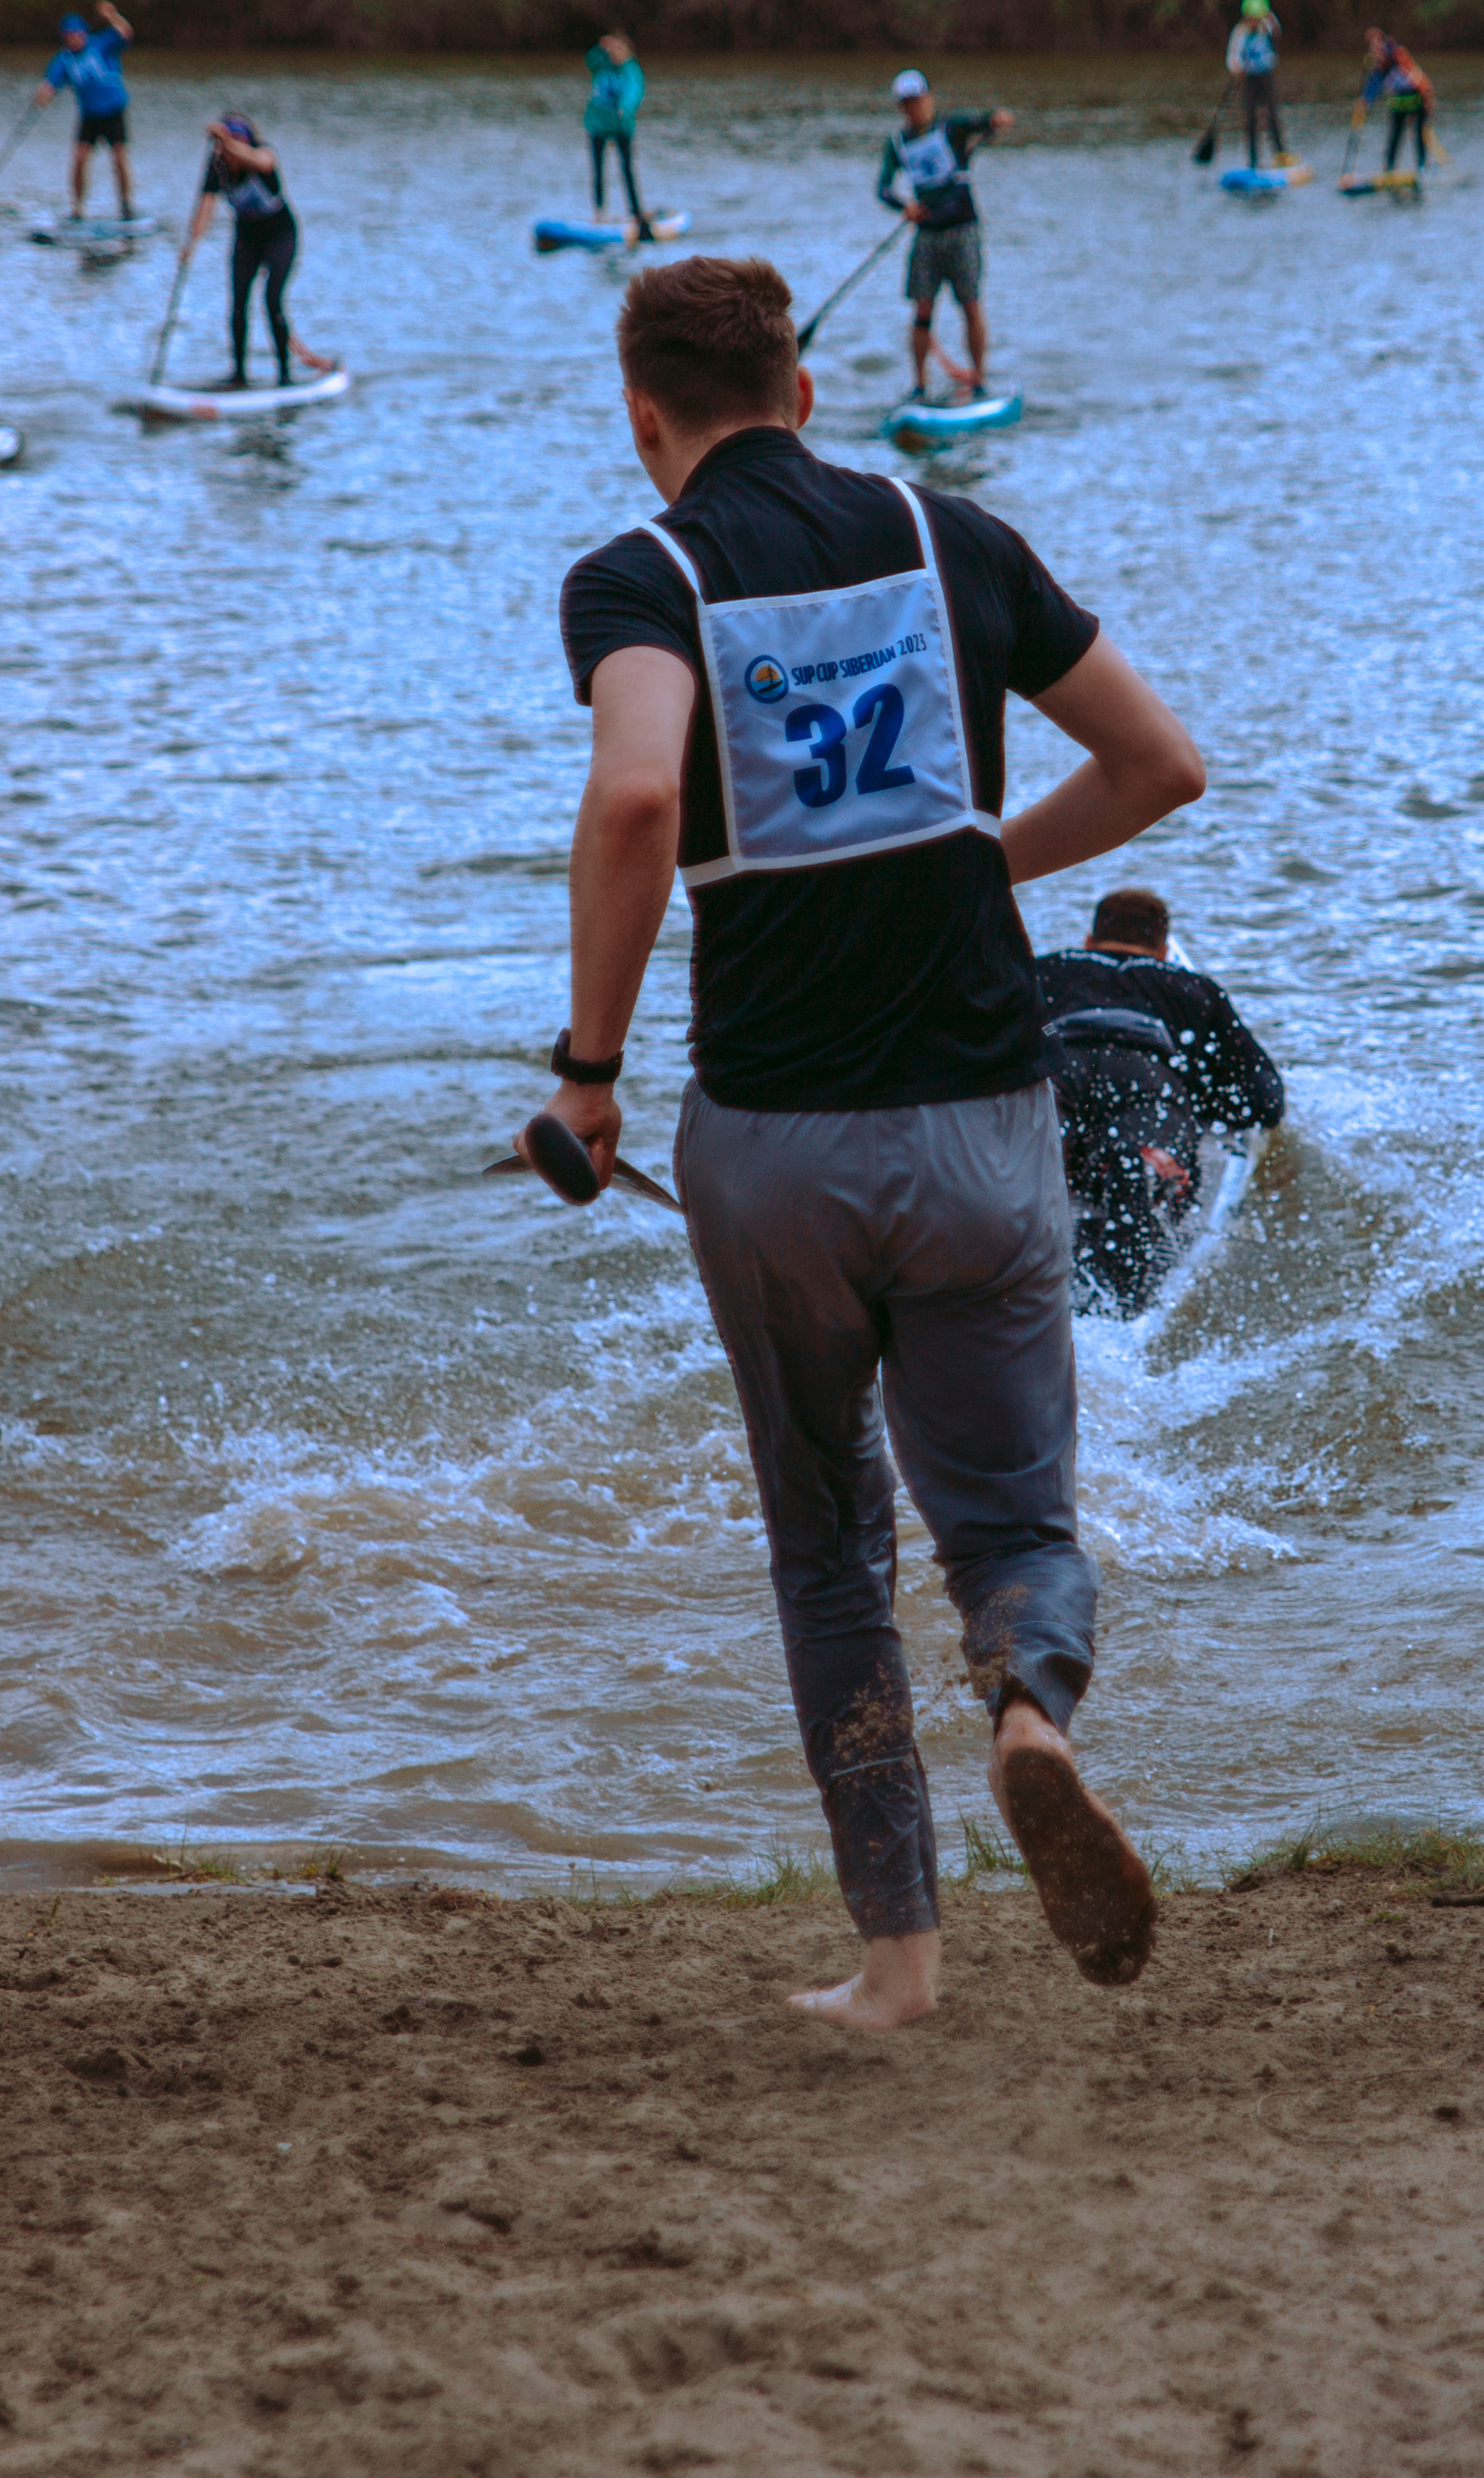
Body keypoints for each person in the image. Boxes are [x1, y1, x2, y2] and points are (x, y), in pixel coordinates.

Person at [538, 253, 1208, 2030]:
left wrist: (587, 1068)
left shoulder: (640, 574)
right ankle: (1028, 1715)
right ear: (808, 390)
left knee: (829, 1541)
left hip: (772, 1146)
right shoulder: (949, 535)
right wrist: (978, 855)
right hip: (980, 1121)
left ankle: (898, 1957)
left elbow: (634, 791)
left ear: (643, 418)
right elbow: (1159, 764)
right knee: (1014, 1515)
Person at [1036, 889, 1283, 1317]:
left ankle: (1051, 1180)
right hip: (1149, 1081)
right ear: (1165, 951)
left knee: (1043, 1146)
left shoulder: (1043, 971)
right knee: (1138, 1158)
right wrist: (1200, 1104)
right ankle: (1131, 1281)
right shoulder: (1192, 988)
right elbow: (1265, 1101)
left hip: (1060, 1072)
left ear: (1089, 942)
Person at [876, 71, 1012, 401]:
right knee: (922, 310)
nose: (915, 108)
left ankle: (978, 380)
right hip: (927, 235)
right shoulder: (897, 143)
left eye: (919, 100)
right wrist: (905, 207)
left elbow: (984, 121)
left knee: (970, 305)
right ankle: (919, 386)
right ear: (901, 108)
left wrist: (996, 120)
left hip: (963, 230)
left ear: (929, 99)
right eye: (908, 104)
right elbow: (883, 189)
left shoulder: (952, 128)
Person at [179, 114, 335, 389]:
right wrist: (191, 245)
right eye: (224, 149)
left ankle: (285, 376)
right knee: (238, 304)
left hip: (280, 236)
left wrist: (226, 140)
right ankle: (239, 376)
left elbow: (262, 161)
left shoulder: (263, 155)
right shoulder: (217, 166)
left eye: (233, 147)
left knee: (272, 300)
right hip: (247, 238)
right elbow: (205, 208)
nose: (228, 155)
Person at [35, 1, 136, 219]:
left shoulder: (101, 44)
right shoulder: (64, 60)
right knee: (79, 159)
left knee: (119, 159)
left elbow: (126, 33)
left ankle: (126, 205)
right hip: (90, 115)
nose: (73, 39)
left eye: (76, 35)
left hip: (113, 111)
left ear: (84, 33)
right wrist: (43, 94)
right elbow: (50, 83)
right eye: (69, 36)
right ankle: (77, 208)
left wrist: (111, 15)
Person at [583, 32, 650, 238]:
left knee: (627, 170)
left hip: (622, 127)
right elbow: (589, 60)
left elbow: (635, 90)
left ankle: (636, 213)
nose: (615, 53)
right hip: (597, 125)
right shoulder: (601, 63)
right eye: (613, 50)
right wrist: (600, 47)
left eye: (619, 49)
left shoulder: (631, 69)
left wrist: (625, 108)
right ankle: (599, 213)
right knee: (597, 170)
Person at [1359, 26, 1436, 176]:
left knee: (1418, 135)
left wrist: (1428, 100)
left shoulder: (1398, 56)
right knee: (1395, 137)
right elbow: (1373, 87)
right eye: (1373, 49)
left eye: (1378, 47)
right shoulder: (1379, 69)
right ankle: (1389, 170)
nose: (1376, 52)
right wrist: (1365, 101)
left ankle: (1422, 169)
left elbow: (1419, 80)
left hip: (1417, 100)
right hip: (1398, 104)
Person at [1227, 0, 1286, 171]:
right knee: (1250, 118)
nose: (1254, 22)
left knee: (1272, 115)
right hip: (1250, 79)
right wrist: (1237, 67)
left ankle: (1281, 155)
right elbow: (1233, 58)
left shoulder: (1268, 27)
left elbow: (1277, 33)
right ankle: (1253, 160)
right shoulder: (1240, 32)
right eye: (1251, 18)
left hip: (1266, 76)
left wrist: (1268, 14)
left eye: (1257, 18)